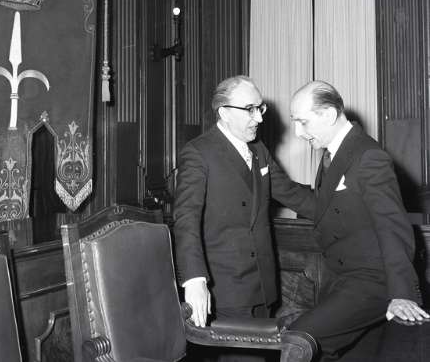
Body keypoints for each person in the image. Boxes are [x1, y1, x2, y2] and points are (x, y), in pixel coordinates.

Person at [275, 80, 430, 361]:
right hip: (342, 280)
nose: (298, 132)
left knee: (298, 341)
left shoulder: (368, 156)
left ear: (328, 115)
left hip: (372, 282)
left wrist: (402, 293)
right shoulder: (334, 153)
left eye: (303, 122)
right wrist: (267, 175)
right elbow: (322, 206)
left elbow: (392, 225)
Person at [173, 75, 302, 361]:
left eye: (261, 108)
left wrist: (343, 203)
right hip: (227, 290)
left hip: (263, 285)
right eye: (250, 109)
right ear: (224, 112)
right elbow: (185, 219)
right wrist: (194, 280)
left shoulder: (259, 150)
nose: (259, 118)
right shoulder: (199, 152)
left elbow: (291, 193)